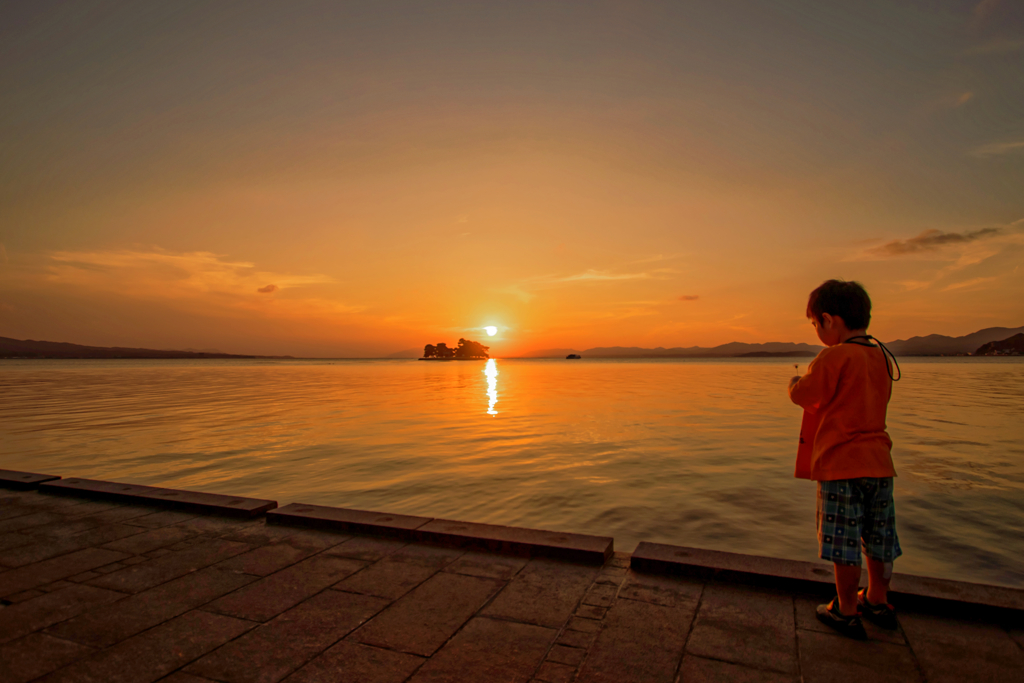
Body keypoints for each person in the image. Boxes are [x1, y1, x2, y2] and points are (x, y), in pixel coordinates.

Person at [788, 279, 901, 640]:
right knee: (879, 536)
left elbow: (807, 394)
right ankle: (878, 600)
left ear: (829, 320)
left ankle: (847, 609)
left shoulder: (834, 356)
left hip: (841, 464)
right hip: (879, 463)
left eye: (814, 325)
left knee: (844, 541)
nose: (816, 331)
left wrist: (793, 383)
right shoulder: (880, 356)